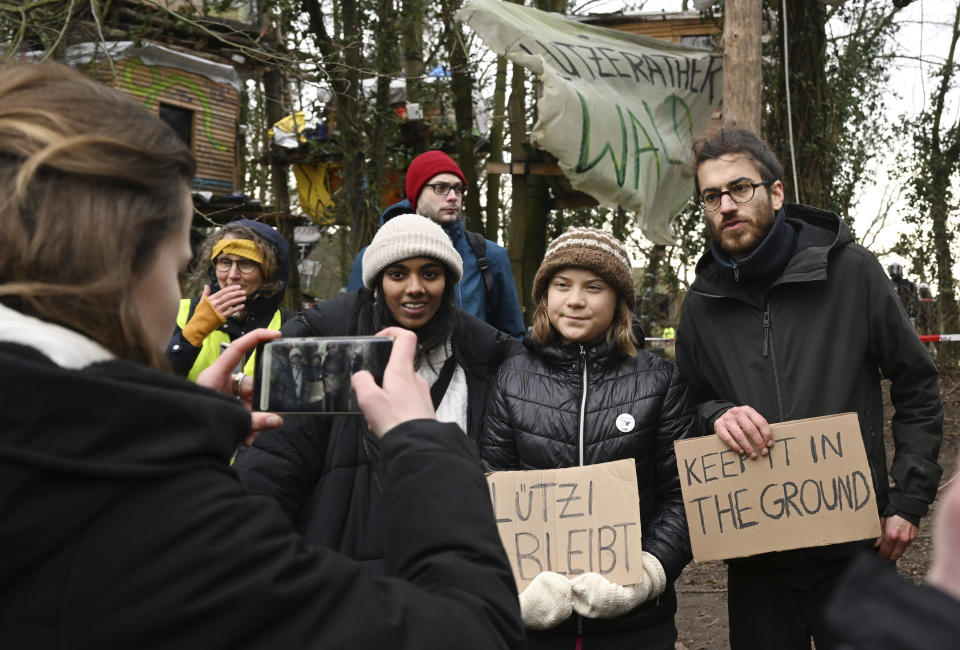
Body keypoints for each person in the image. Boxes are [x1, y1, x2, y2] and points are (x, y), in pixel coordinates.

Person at [0, 62, 524, 649]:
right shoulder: (159, 524)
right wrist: (421, 443)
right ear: (124, 269)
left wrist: (171, 442)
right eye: (182, 269)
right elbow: (471, 632)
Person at [675, 127, 943, 650]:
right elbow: (684, 404)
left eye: (740, 188)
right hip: (757, 558)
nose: (727, 205)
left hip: (857, 548)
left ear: (775, 193)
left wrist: (909, 501)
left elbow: (916, 384)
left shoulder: (852, 272)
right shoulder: (700, 305)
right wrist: (716, 415)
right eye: (712, 196)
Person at [234, 213, 522, 573]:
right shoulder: (323, 354)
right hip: (342, 577)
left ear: (447, 281)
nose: (414, 288)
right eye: (398, 274)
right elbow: (274, 467)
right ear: (377, 282)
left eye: (429, 274)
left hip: (451, 570)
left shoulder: (487, 359)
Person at [482, 227, 695, 650]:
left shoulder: (660, 380)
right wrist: (513, 587)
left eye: (593, 287)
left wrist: (649, 573)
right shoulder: (511, 379)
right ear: (545, 294)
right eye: (562, 285)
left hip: (636, 626)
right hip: (537, 627)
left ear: (618, 299)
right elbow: (489, 488)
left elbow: (682, 496)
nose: (575, 300)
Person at [346, 150, 526, 338]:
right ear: (416, 194)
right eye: (440, 187)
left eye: (458, 189)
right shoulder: (372, 257)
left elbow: (513, 337)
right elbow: (352, 333)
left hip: (475, 365)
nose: (452, 197)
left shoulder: (489, 256)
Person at [166, 218, 293, 380]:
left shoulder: (290, 325)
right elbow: (151, 381)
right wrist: (192, 334)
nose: (232, 275)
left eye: (246, 263)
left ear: (270, 272)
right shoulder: (178, 313)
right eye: (225, 262)